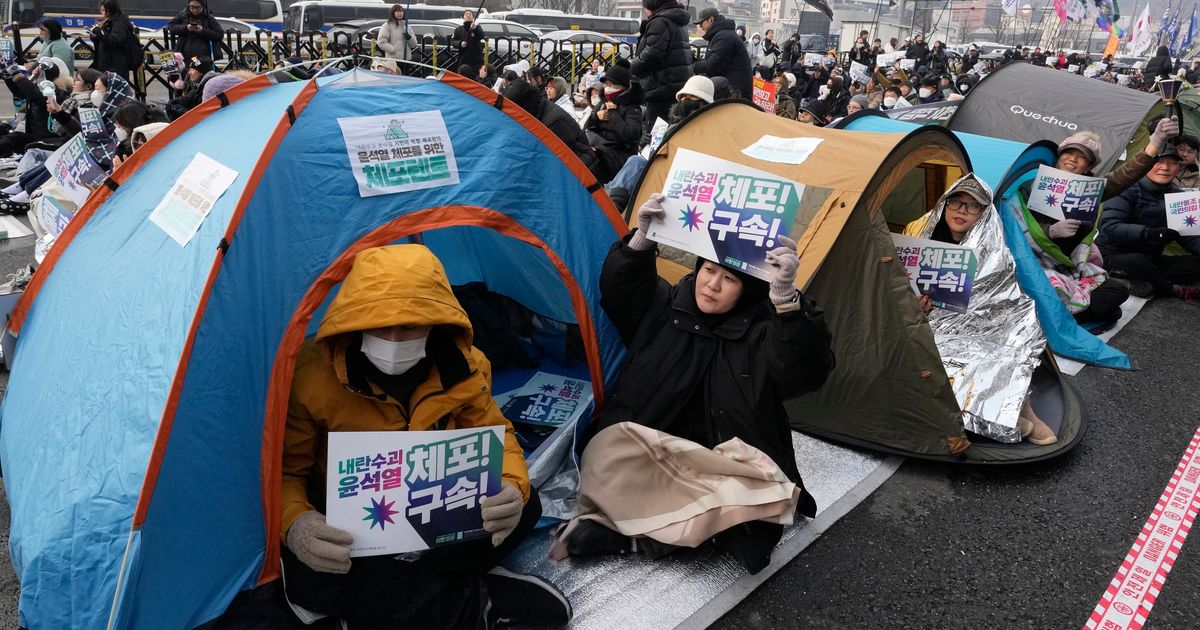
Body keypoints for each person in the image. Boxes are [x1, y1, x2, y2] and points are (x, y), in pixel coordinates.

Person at [279, 245, 571, 629]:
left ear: (436, 321)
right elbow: (286, 473)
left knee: (524, 507)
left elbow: (497, 433)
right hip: (352, 520)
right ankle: (475, 604)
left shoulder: (466, 366)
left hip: (436, 503)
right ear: (354, 320)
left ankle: (400, 600)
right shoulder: (309, 378)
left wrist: (513, 488)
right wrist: (297, 523)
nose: (395, 337)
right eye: (380, 321)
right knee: (306, 570)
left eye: (412, 323)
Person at [553, 194, 833, 573]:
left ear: (748, 288)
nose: (712, 285)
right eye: (707, 270)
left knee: (756, 494)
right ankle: (668, 532)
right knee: (604, 452)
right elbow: (621, 291)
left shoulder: (763, 332)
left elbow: (806, 370)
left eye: (729, 278)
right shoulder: (665, 307)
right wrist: (642, 241)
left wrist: (787, 304)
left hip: (718, 460)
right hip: (654, 449)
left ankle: (638, 534)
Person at [910, 176, 1058, 444]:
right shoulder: (920, 241)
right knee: (945, 352)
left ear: (984, 213)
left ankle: (1025, 410)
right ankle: (1007, 420)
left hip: (979, 325)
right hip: (931, 326)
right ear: (944, 205)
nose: (962, 211)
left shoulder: (993, 250)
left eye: (973, 206)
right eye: (956, 202)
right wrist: (915, 306)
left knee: (1013, 339)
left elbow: (1001, 301)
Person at [1096, 144, 1200, 301]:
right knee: (1136, 262)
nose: (1165, 168)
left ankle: (1139, 280)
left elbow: (1189, 236)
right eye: (1158, 161)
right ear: (1146, 164)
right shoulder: (1126, 187)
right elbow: (1110, 226)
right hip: (1112, 254)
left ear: (1178, 167)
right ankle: (1172, 289)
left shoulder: (1179, 198)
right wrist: (1147, 234)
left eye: (1172, 163)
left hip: (1151, 258)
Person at [631, 0, 692, 146]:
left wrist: (633, 66)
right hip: (676, 84)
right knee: (670, 130)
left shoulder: (660, 22)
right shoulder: (676, 20)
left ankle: (653, 165)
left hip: (661, 85)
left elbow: (651, 53)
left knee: (656, 135)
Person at [585, 65, 641, 183]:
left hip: (618, 153)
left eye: (611, 85)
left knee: (592, 162)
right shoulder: (603, 101)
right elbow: (588, 128)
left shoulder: (632, 107)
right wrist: (596, 116)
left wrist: (612, 113)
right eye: (606, 84)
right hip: (599, 147)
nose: (607, 88)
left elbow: (630, 134)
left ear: (622, 86)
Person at [691, 7, 752, 101]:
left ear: (711, 20)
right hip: (732, 89)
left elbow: (713, 65)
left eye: (701, 23)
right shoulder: (721, 34)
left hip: (735, 92)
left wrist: (694, 64)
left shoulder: (724, 37)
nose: (700, 26)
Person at [89, 0, 138, 81]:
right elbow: (104, 39)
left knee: (112, 89)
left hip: (115, 66)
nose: (101, 12)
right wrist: (94, 36)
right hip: (107, 63)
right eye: (101, 10)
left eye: (103, 10)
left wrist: (98, 31)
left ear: (110, 10)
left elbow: (115, 40)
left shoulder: (119, 24)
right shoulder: (109, 22)